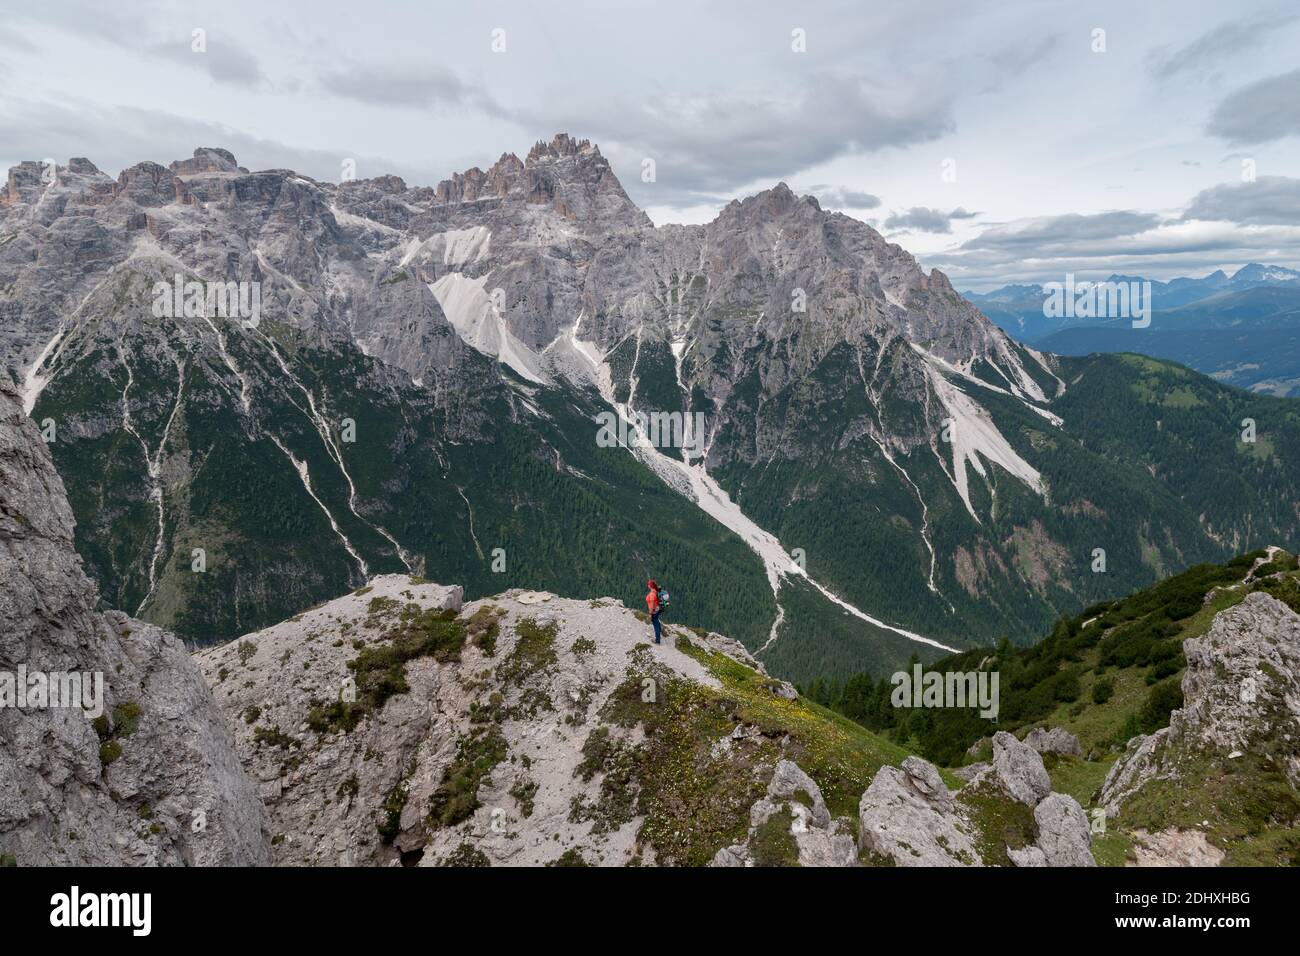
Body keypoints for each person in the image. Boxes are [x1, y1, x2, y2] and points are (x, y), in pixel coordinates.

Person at [645, 578, 662, 644]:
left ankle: (657, 640)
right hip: (657, 609)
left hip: (654, 611)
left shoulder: (652, 594)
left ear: (650, 586)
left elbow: (651, 604)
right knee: (657, 621)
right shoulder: (655, 591)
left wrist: (650, 613)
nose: (647, 585)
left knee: (655, 624)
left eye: (648, 584)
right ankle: (659, 632)